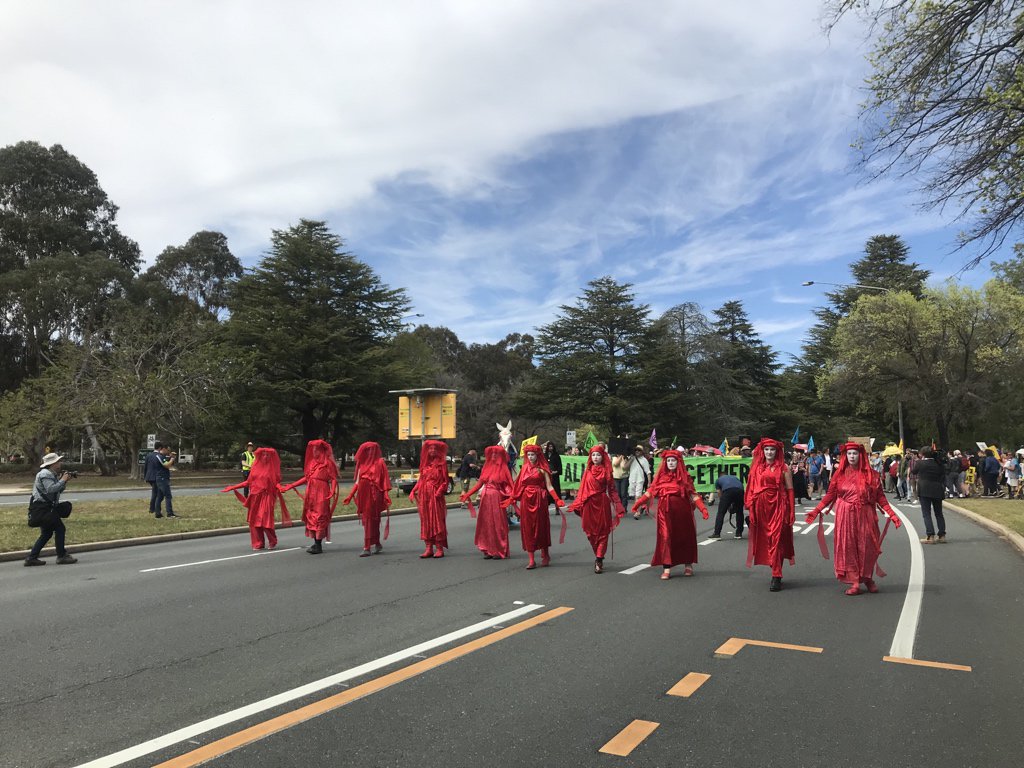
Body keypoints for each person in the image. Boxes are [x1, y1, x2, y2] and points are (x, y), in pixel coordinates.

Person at [806, 442, 902, 595]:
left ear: (861, 455)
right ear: (845, 456)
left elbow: (881, 498)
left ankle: (868, 578)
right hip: (845, 515)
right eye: (849, 454)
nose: (852, 456)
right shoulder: (839, 474)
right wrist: (816, 510)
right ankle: (855, 581)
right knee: (849, 547)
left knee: (868, 546)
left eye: (855, 453)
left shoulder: (872, 475)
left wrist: (892, 514)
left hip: (866, 514)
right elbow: (830, 495)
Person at [631, 449, 709, 580]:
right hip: (665, 512)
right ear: (665, 462)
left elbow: (693, 494)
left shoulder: (685, 477)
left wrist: (703, 509)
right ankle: (667, 567)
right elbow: (650, 492)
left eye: (673, 460)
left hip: (683, 512)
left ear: (678, 462)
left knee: (685, 537)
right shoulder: (660, 477)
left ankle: (688, 563)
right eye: (668, 461)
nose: (671, 463)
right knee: (666, 537)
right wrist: (638, 503)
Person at [745, 438, 795, 591]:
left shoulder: (784, 468)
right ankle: (774, 567)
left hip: (779, 506)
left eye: (772, 449)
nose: (769, 452)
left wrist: (791, 511)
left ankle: (776, 575)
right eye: (766, 449)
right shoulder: (756, 468)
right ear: (762, 451)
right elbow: (751, 490)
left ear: (777, 451)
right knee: (767, 541)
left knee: (778, 540)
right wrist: (751, 509)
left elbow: (790, 490)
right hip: (761, 507)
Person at [502, 443, 562, 569]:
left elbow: (549, 486)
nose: (530, 457)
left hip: (539, 499)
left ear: (537, 455)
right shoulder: (523, 469)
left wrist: (557, 499)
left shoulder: (543, 469)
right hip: (526, 501)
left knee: (541, 527)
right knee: (528, 528)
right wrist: (511, 498)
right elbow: (519, 486)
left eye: (532, 454)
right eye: (528, 454)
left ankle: (545, 554)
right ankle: (531, 559)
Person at [568, 445, 624, 573]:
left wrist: (618, 505)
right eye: (593, 455)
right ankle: (598, 554)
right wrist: (577, 504)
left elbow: (612, 490)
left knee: (603, 533)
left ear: (602, 456)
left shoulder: (607, 471)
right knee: (590, 534)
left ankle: (599, 559)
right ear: (590, 457)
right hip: (589, 505)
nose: (595, 457)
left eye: (598, 455)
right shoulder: (587, 472)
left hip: (602, 503)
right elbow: (582, 490)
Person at [222, 447, 292, 550]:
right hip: (255, 497)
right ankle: (258, 543)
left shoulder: (272, 469)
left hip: (267, 496)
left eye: (267, 455)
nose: (265, 457)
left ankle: (272, 540)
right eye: (263, 454)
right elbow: (248, 482)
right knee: (254, 521)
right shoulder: (255, 467)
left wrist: (280, 487)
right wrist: (233, 487)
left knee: (264, 519)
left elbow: (276, 483)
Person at [280, 439, 339, 555]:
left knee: (320, 515)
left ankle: (318, 544)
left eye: (316, 449)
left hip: (322, 490)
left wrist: (332, 491)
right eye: (313, 450)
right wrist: (291, 485)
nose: (314, 452)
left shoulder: (328, 463)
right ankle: (316, 542)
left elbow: (333, 478)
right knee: (311, 515)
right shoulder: (312, 463)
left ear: (321, 450)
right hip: (311, 492)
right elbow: (306, 478)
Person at [461, 445, 514, 559]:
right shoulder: (486, 467)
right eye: (492, 453)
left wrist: (511, 498)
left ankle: (500, 549)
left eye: (496, 453)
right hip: (485, 498)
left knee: (498, 524)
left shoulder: (503, 468)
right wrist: (467, 494)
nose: (494, 455)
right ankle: (489, 549)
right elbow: (479, 484)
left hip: (496, 498)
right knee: (486, 524)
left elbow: (511, 485)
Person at [24, 453, 77, 566]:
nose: (60, 463)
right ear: (53, 464)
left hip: (45, 508)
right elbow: (51, 489)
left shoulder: (50, 474)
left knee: (47, 533)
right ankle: (61, 556)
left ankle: (31, 558)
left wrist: (64, 481)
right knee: (60, 529)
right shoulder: (45, 474)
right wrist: (62, 480)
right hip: (44, 508)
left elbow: (57, 491)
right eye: (58, 462)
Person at [341, 441, 391, 556]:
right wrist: (350, 496)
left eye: (372, 450)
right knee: (368, 519)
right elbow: (358, 482)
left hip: (375, 493)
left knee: (373, 518)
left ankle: (371, 544)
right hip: (363, 494)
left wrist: (386, 495)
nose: (370, 453)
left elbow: (384, 481)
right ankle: (372, 544)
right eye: (368, 450)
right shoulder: (362, 464)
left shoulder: (380, 463)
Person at [410, 440, 450, 559]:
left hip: (435, 495)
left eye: (434, 449)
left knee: (436, 520)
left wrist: (439, 491)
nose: (432, 451)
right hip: (424, 495)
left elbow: (445, 481)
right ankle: (428, 548)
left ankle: (439, 548)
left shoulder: (442, 464)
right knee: (425, 520)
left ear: (438, 451)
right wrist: (413, 490)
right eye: (430, 449)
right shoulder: (425, 464)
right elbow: (421, 480)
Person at [911, 446, 946, 544]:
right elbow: (943, 474)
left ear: (922, 454)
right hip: (937, 489)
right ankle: (942, 535)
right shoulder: (939, 463)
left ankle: (930, 535)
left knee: (926, 513)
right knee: (939, 513)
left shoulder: (920, 463)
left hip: (924, 489)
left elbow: (914, 471)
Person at [145, 443, 177, 518]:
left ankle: (157, 513)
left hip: (156, 477)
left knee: (159, 496)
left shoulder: (157, 456)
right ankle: (169, 513)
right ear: (162, 449)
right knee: (167, 496)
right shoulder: (159, 456)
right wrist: (172, 459)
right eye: (167, 450)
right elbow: (167, 465)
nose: (168, 452)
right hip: (161, 478)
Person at [710, 471, 744, 539]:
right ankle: (739, 533)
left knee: (721, 513)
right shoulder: (735, 478)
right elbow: (740, 487)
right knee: (739, 512)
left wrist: (725, 504)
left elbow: (719, 493)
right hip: (740, 491)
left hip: (728, 491)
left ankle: (717, 534)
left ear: (720, 476)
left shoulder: (718, 480)